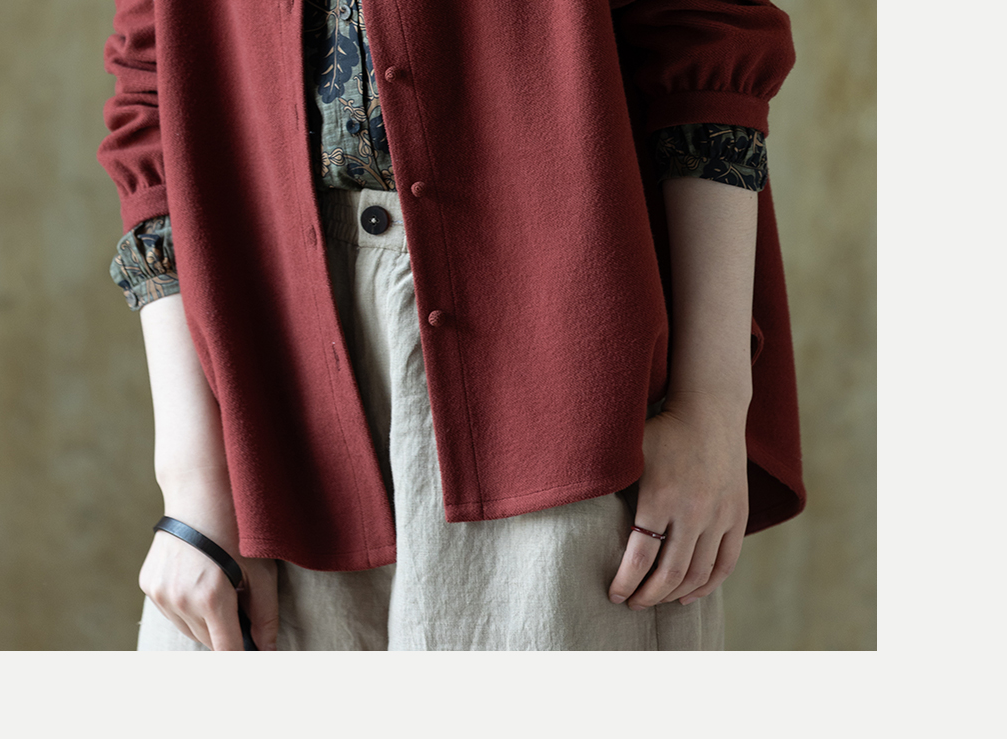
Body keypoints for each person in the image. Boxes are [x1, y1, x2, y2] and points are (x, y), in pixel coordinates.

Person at [97, 0, 806, 651]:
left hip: (557, 328)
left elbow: (705, 44)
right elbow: (155, 94)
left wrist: (711, 409)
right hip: (261, 344)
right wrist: (192, 481)